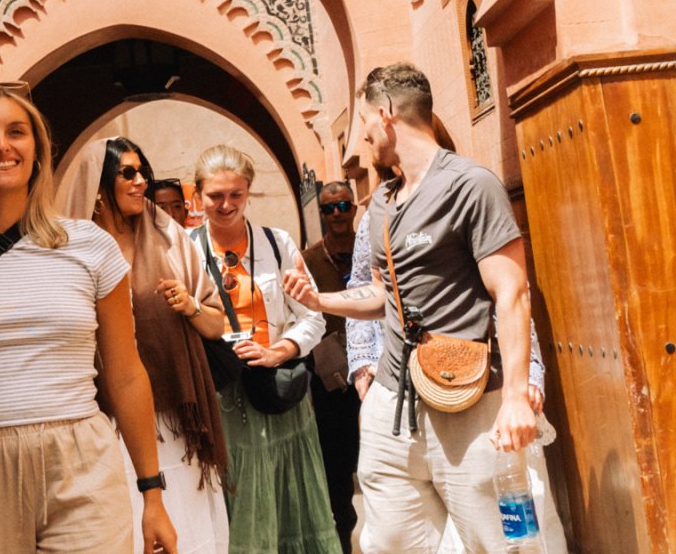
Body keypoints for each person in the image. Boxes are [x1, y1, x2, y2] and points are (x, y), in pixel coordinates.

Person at [281, 63, 567, 553]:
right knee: (389, 541)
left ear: (386, 113)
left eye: (364, 124)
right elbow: (381, 294)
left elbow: (512, 293)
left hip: (470, 401)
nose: (359, 144)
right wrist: (322, 300)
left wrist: (517, 395)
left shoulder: (470, 186)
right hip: (392, 407)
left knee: (502, 542)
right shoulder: (383, 205)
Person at [0, 84, 178, 554]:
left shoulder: (89, 245)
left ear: (37, 150)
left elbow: (125, 375)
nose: (2, 146)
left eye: (16, 132)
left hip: (81, 459)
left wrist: (153, 494)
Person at [66, 138, 229, 554]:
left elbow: (216, 324)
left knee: (184, 527)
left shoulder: (168, 236)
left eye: (143, 173)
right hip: (103, 424)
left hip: (174, 420)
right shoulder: (71, 251)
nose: (141, 183)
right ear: (100, 188)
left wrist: (189, 306)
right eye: (128, 173)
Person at [189, 144, 342, 554]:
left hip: (278, 393)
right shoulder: (184, 251)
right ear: (197, 195)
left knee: (291, 503)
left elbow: (314, 316)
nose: (225, 205)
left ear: (248, 192)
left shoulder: (278, 244)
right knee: (235, 504)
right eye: (215, 196)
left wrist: (282, 350)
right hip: (220, 397)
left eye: (236, 195)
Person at [299, 181, 362, 553]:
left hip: (375, 372)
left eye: (343, 206)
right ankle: (343, 537)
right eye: (329, 209)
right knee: (336, 467)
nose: (337, 214)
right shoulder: (308, 260)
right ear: (321, 215)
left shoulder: (370, 250)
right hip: (331, 382)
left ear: (353, 209)